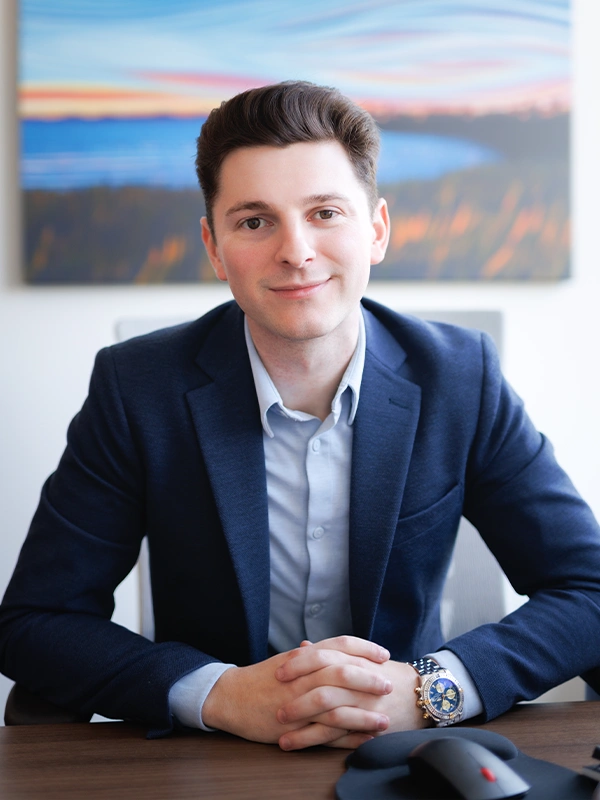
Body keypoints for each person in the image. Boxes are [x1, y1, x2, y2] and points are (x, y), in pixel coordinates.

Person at [1, 81, 600, 750]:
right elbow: (35, 621)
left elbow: (590, 590)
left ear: (375, 230)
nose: (296, 250)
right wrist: (219, 694)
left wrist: (434, 689)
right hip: (216, 757)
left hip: (408, 752)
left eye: (325, 213)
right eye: (255, 221)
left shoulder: (462, 379)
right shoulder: (136, 388)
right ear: (214, 247)